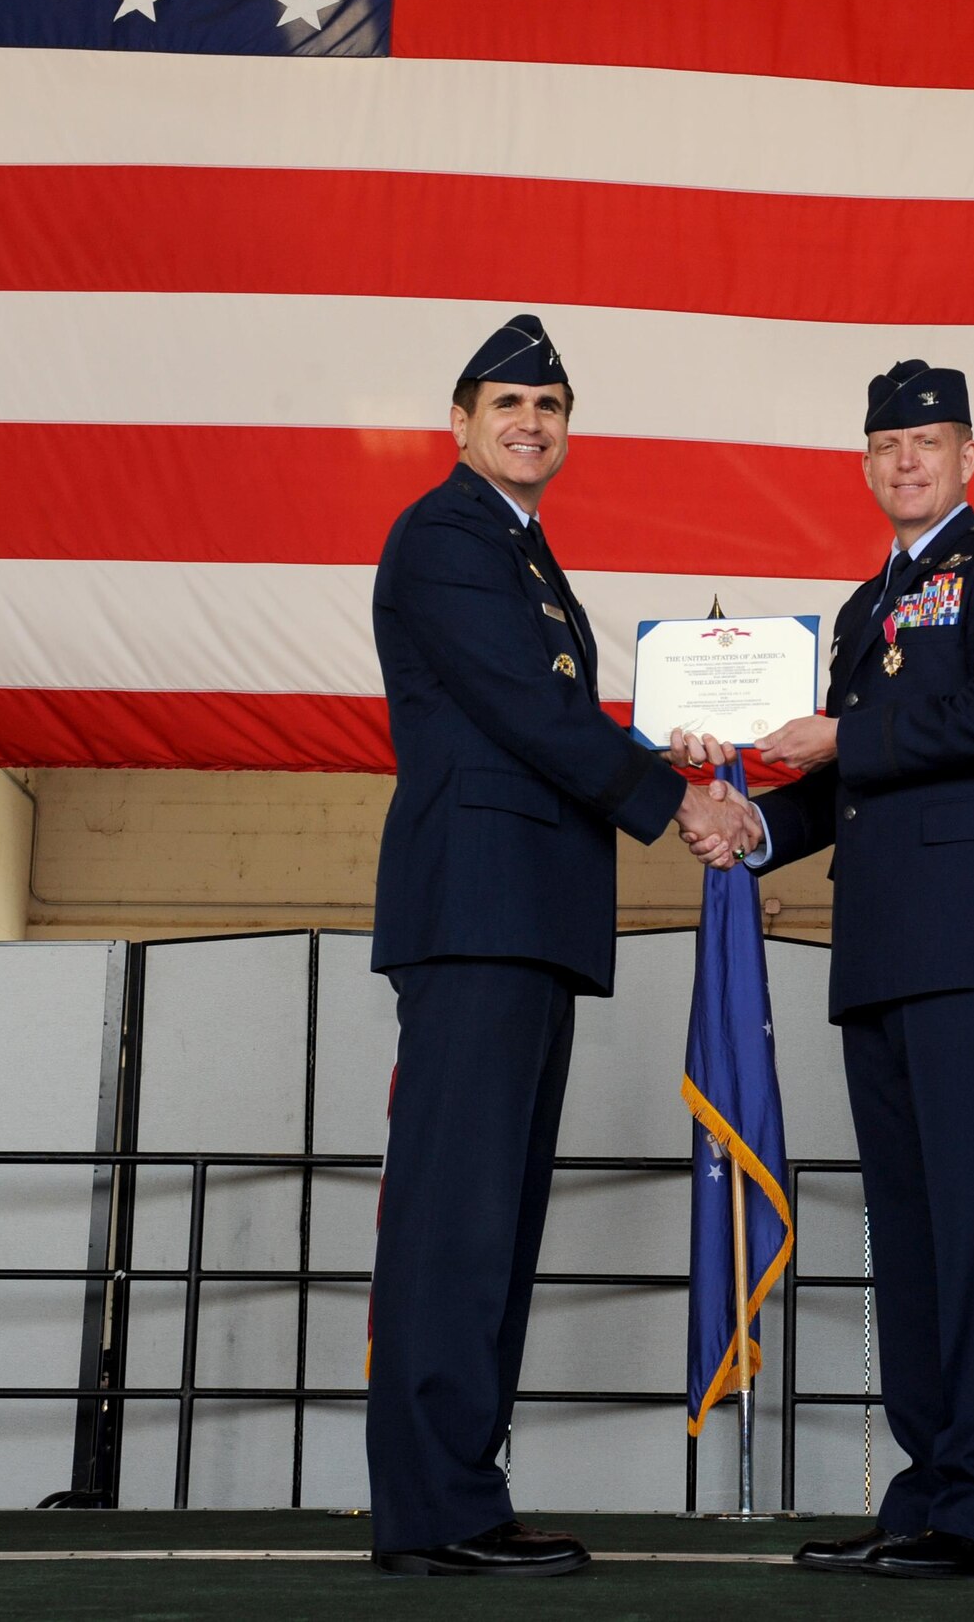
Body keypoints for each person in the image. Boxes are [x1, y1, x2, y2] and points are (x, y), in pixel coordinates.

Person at [366, 313, 760, 1578]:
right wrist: (672, 801)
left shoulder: (521, 552)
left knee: (496, 1222)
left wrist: (669, 755)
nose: (530, 423)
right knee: (455, 1222)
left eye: (549, 405)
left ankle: (461, 1493)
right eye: (506, 405)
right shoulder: (444, 537)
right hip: (476, 913)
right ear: (461, 422)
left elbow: (546, 719)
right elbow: (527, 710)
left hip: (523, 916)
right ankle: (433, 1511)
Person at [676, 359, 974, 1579]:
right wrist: (752, 828)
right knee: (907, 1233)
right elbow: (845, 790)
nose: (907, 459)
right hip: (881, 950)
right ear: (864, 465)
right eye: (887, 443)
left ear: (967, 458)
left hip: (972, 942)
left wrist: (846, 734)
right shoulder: (856, 612)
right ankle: (928, 1489)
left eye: (929, 440)